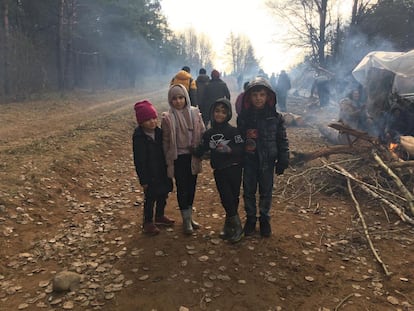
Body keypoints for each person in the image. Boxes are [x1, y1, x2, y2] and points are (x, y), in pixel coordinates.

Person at [237, 77, 290, 237]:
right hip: (249, 160)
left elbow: (282, 139)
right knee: (248, 191)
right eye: (255, 95)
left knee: (266, 191)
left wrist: (283, 158)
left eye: (262, 94)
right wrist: (237, 157)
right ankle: (251, 219)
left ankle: (265, 219)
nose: (258, 98)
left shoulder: (276, 117)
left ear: (268, 97)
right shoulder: (244, 117)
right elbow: (239, 139)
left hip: (268, 160)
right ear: (249, 97)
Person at [192, 98, 245, 243]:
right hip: (220, 171)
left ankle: (230, 227)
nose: (219, 114)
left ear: (228, 114)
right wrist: (190, 149)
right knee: (226, 198)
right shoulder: (209, 134)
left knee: (233, 198)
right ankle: (238, 228)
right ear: (212, 112)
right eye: (217, 111)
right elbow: (201, 149)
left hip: (234, 169)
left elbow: (242, 149)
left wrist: (229, 150)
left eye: (223, 112)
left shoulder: (234, 131)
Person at [161, 84, 205, 235]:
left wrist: (202, 150)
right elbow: (166, 140)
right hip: (178, 158)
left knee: (192, 187)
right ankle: (185, 220)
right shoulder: (168, 118)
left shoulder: (195, 113)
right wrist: (168, 160)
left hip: (193, 156)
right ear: (170, 100)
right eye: (174, 99)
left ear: (186, 98)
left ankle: (189, 217)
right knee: (182, 188)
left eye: (181, 98)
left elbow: (202, 132)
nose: (178, 101)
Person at [132, 100, 174, 235]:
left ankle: (160, 215)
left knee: (164, 194)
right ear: (141, 122)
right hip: (149, 174)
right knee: (150, 198)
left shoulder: (160, 133)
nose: (152, 122)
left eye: (154, 118)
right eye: (148, 119)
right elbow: (139, 160)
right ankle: (148, 222)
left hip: (162, 170)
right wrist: (143, 180)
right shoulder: (139, 137)